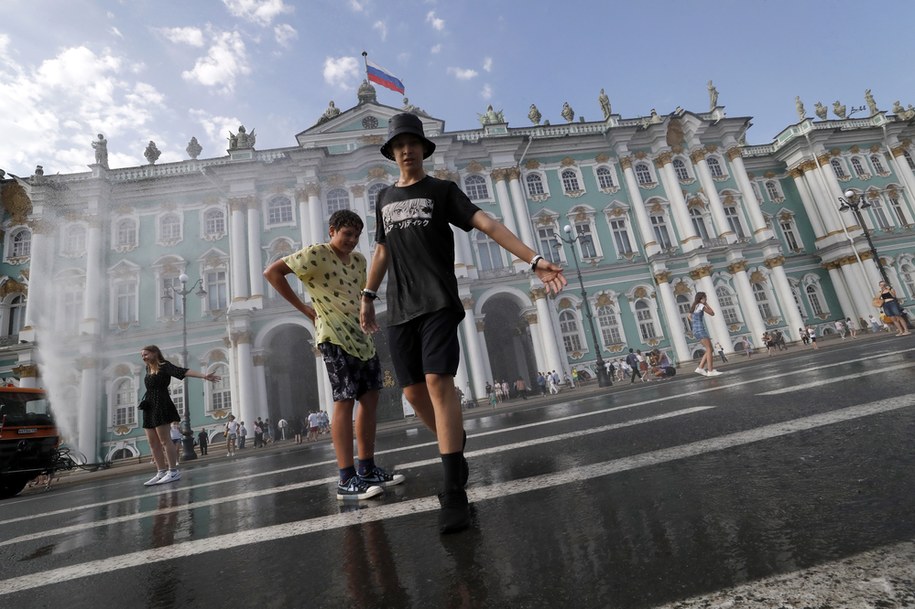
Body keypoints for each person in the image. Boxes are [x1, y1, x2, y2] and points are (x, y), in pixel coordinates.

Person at [360, 112, 566, 533]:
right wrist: (367, 296)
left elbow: (487, 223)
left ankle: (453, 489)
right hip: (399, 308)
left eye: (412, 143)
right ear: (391, 153)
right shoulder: (383, 198)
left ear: (422, 148)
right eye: (398, 145)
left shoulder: (441, 190)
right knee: (414, 393)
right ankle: (453, 445)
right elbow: (381, 251)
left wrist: (534, 260)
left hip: (438, 301)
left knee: (438, 383)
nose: (406, 150)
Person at [264, 209, 404, 501]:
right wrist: (304, 309)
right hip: (332, 336)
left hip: (360, 335)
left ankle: (366, 469)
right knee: (344, 400)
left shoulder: (359, 261)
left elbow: (358, 295)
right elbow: (272, 272)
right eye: (346, 234)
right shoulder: (316, 253)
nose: (351, 240)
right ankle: (346, 478)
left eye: (355, 236)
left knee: (370, 398)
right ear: (332, 231)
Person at [139, 345, 219, 486]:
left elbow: (183, 371)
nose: (143, 357)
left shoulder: (164, 366)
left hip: (161, 403)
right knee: (152, 442)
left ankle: (173, 471)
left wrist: (204, 376)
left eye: (146, 354)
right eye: (142, 356)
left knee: (165, 441)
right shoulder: (148, 369)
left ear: (155, 353)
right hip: (149, 405)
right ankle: (161, 472)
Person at [691, 292, 721, 376]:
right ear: (701, 298)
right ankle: (710, 370)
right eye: (705, 298)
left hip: (695, 330)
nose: (706, 299)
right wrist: (706, 304)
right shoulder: (701, 306)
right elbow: (712, 313)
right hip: (700, 329)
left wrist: (695, 322)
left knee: (709, 349)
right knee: (709, 349)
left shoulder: (694, 307)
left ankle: (700, 368)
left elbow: (689, 316)